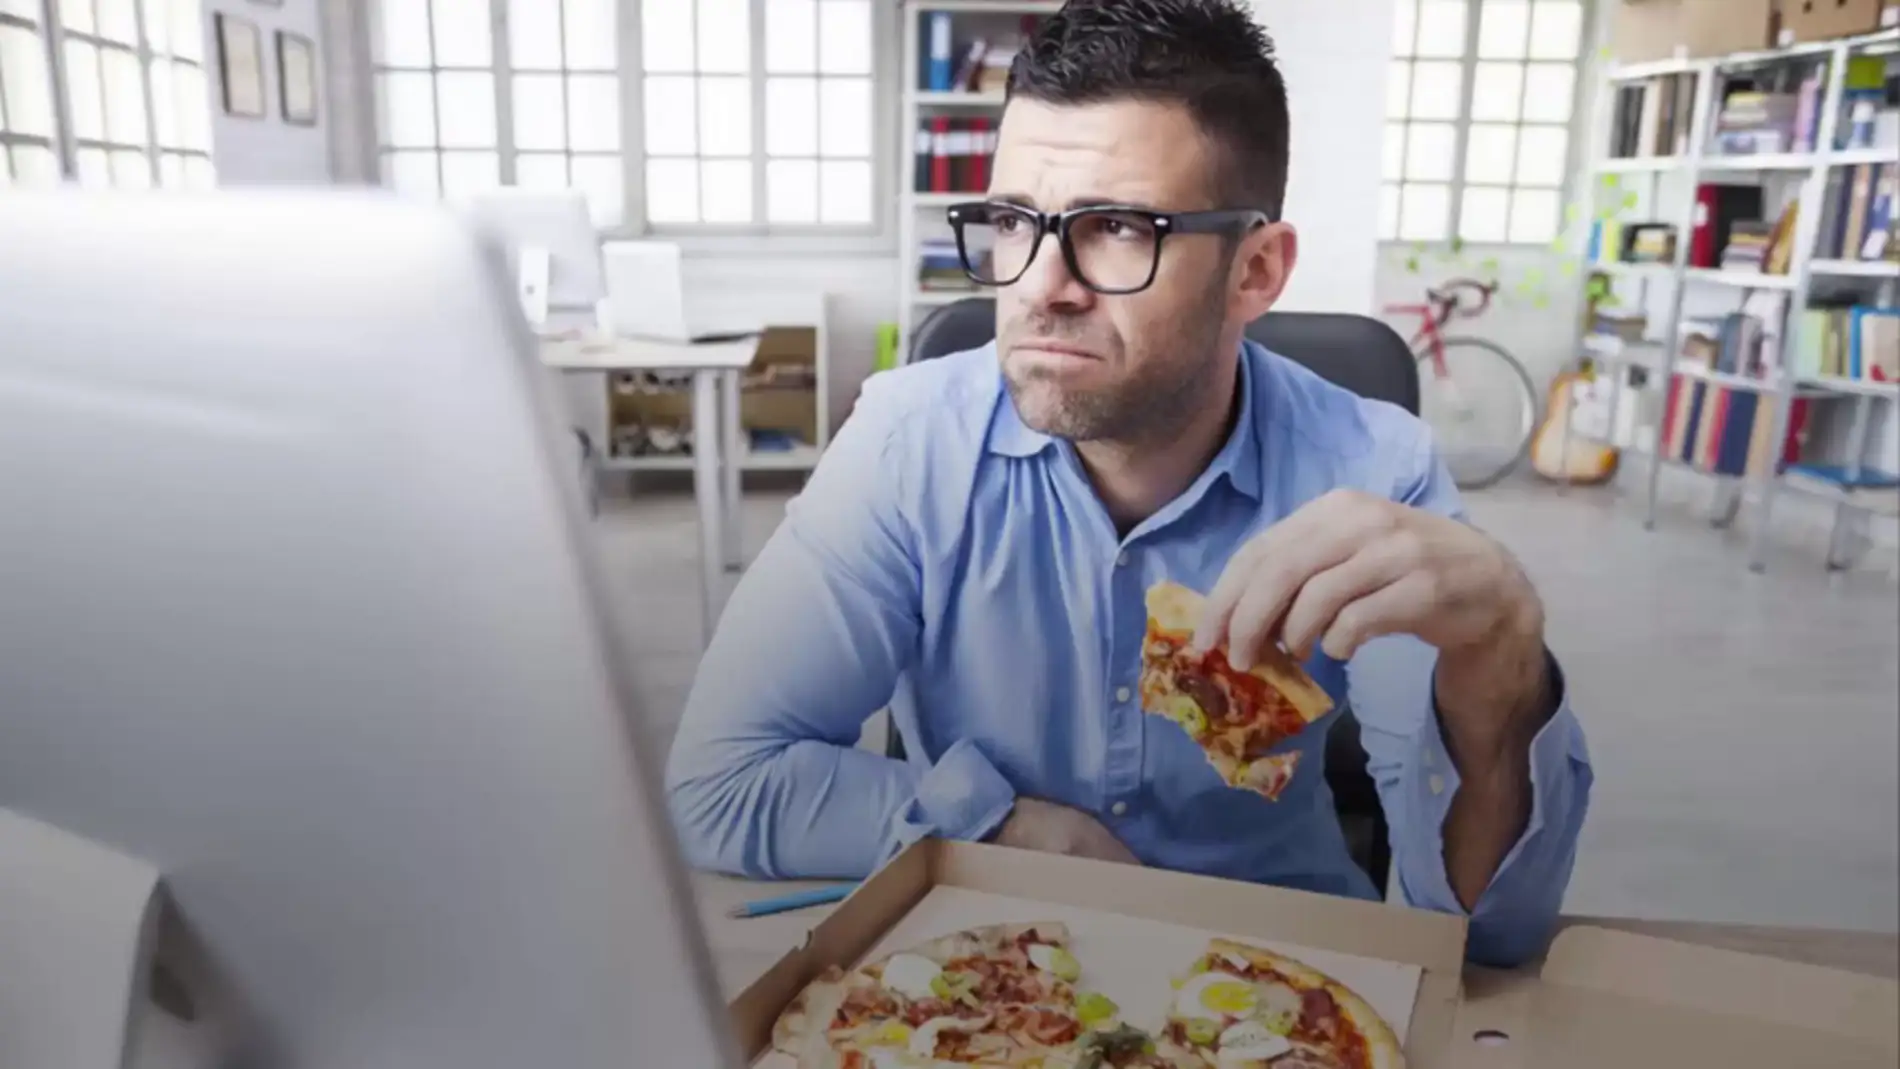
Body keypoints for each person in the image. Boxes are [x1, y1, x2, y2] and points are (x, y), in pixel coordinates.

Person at [665, 0, 1592, 968]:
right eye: (1014, 221)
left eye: (1115, 228)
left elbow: (1489, 936)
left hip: (1282, 983)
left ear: (1256, 270)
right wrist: (1007, 825)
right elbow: (720, 784)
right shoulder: (906, 445)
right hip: (994, 979)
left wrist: (1498, 669)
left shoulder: (1373, 471)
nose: (1039, 285)